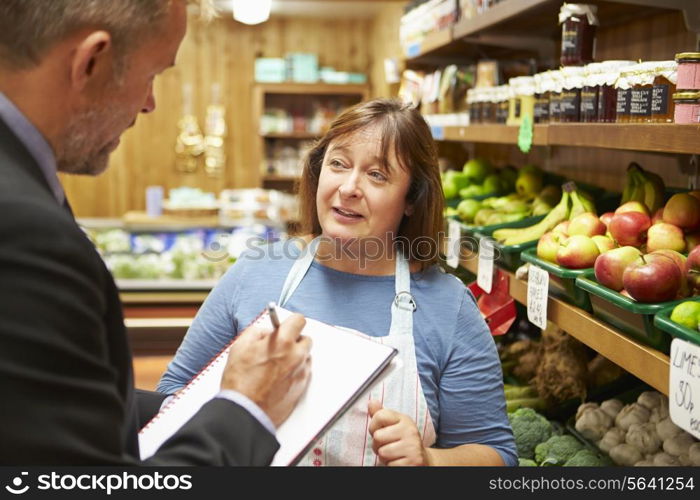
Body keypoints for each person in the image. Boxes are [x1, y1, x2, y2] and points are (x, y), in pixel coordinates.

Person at [0, 0, 312, 465]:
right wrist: (247, 407)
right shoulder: (25, 232)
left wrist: (180, 409)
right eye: (153, 75)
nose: (149, 103)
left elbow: (47, 412)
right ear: (92, 61)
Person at [158, 98, 518, 466]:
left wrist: (429, 460)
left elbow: (497, 453)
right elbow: (172, 396)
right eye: (338, 164)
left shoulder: (449, 306)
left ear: (412, 199)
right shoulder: (255, 273)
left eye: (377, 175)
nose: (349, 187)